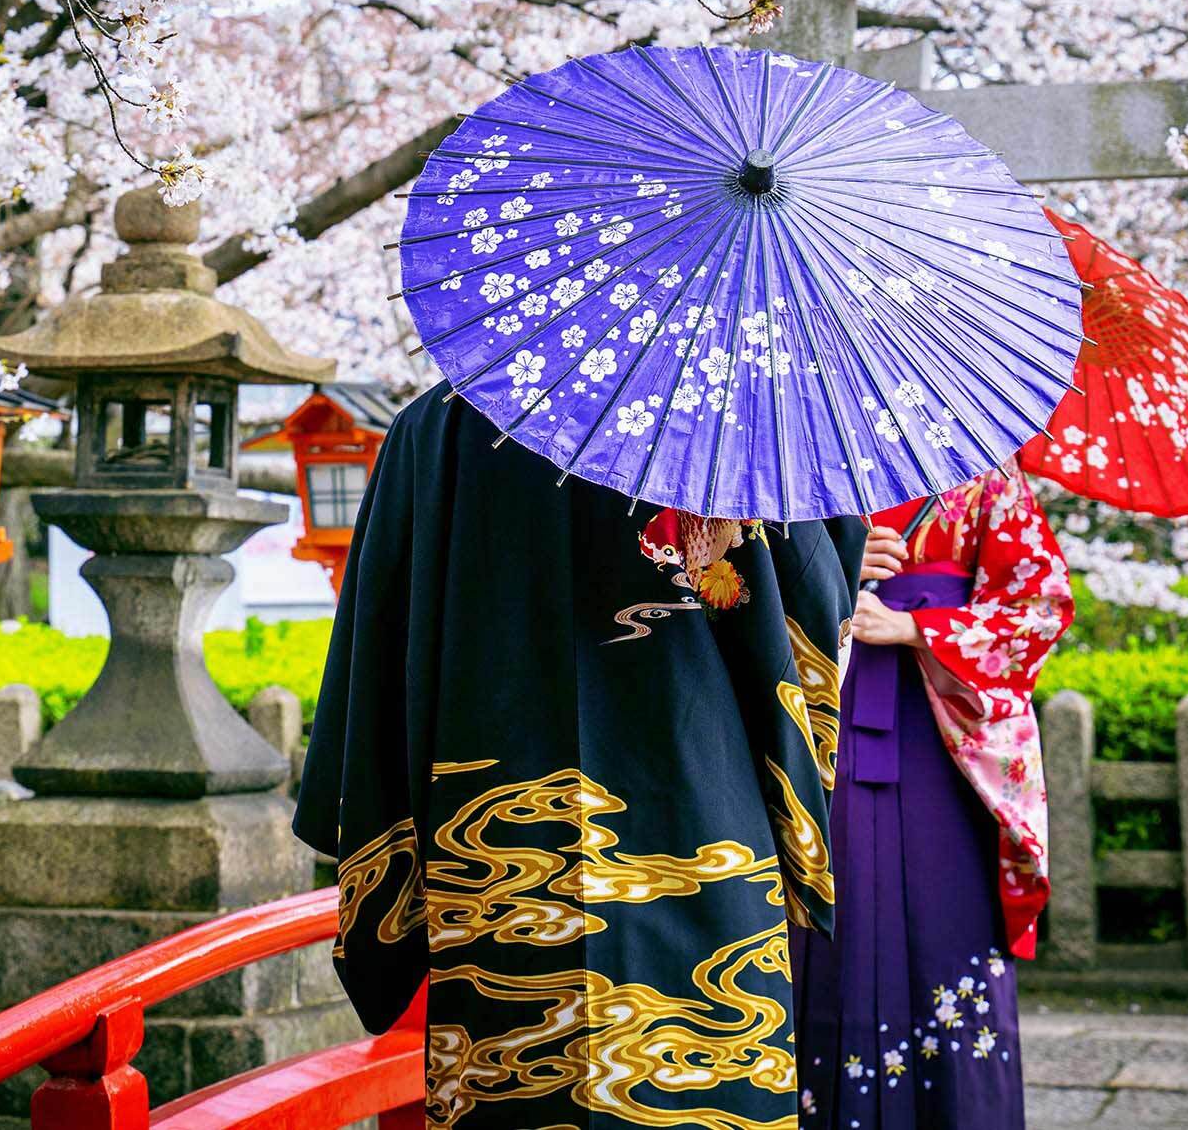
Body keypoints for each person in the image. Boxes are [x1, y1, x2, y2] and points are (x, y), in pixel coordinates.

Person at [295, 389, 903, 1129]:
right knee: (705, 1064)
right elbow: (808, 623)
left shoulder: (437, 426)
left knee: (513, 1071)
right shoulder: (746, 415)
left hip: (498, 853)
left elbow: (378, 650)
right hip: (706, 833)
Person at [788, 466, 1075, 1130]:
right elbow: (733, 588)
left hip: (942, 741)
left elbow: (1040, 603)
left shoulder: (983, 473)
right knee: (825, 918)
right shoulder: (800, 459)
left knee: (947, 923)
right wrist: (829, 564)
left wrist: (920, 628)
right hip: (823, 724)